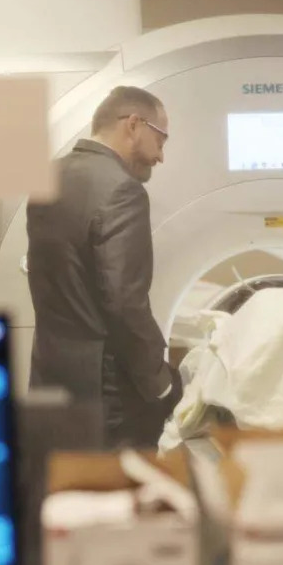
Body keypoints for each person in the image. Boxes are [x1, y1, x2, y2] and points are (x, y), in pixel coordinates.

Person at [26, 85, 182, 448]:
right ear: (134, 124)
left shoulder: (49, 176)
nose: (160, 156)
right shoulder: (122, 191)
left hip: (51, 378)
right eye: (161, 140)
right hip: (108, 394)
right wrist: (161, 383)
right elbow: (124, 302)